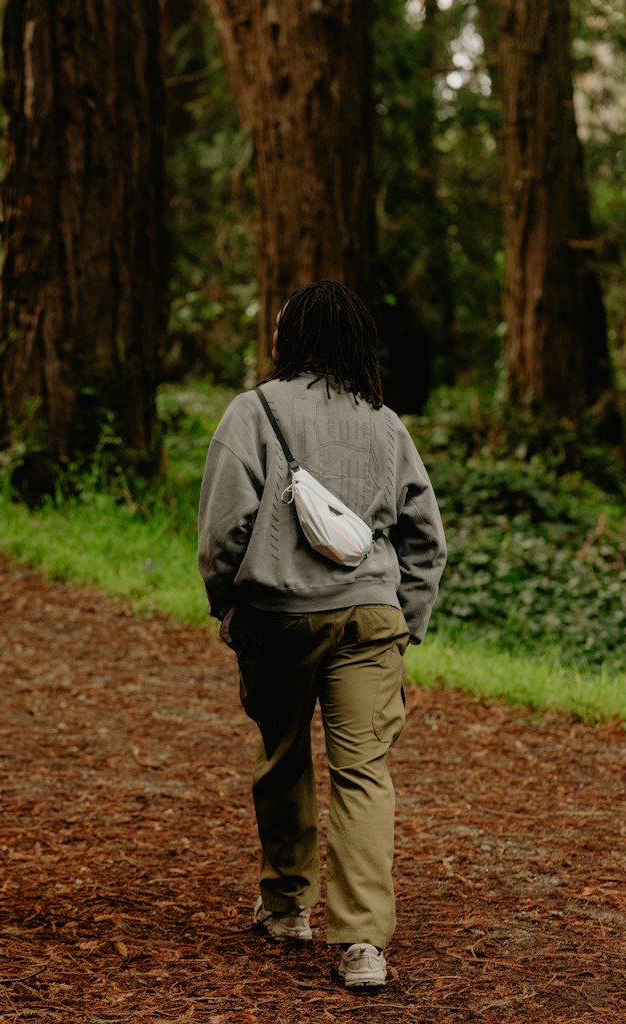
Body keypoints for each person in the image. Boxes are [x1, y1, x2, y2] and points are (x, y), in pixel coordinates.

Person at [197, 280, 446, 988]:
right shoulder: (385, 423)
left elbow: (222, 529)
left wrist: (229, 605)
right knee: (364, 771)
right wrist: (407, 622)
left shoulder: (254, 412)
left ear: (289, 338)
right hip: (371, 617)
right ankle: (363, 943)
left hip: (278, 615)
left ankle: (285, 906)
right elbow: (425, 538)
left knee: (282, 754)